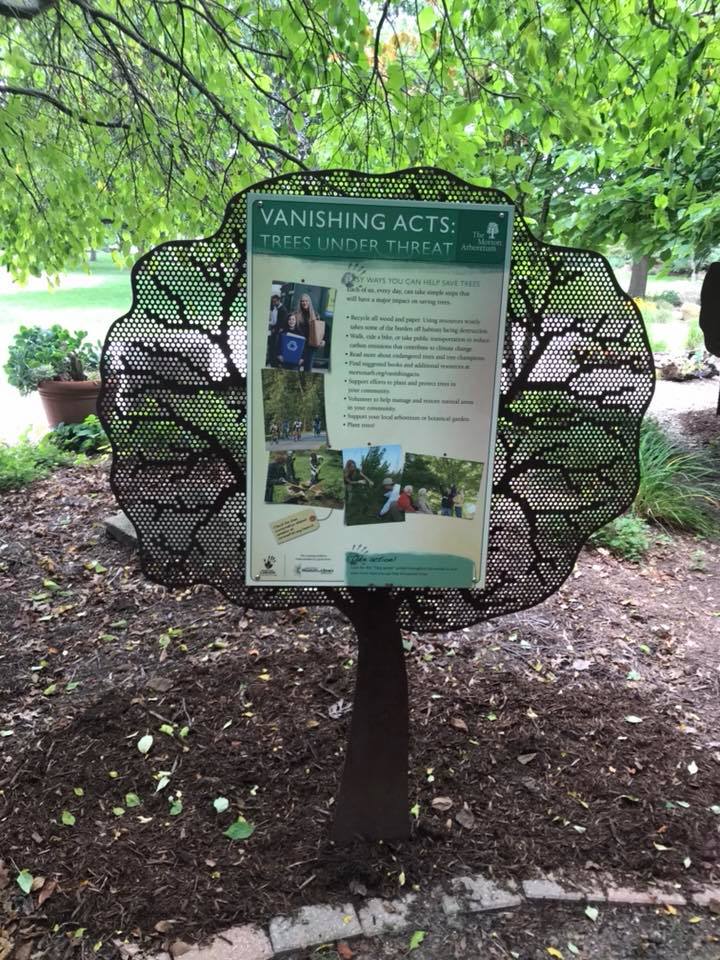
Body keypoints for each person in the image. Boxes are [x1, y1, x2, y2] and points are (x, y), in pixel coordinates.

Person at [295, 293, 325, 372]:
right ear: (300, 303)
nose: (304, 303)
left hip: (310, 346)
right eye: (302, 301)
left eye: (306, 301)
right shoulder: (296, 315)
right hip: (299, 344)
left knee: (308, 368)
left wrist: (322, 340)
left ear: (309, 302)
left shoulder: (315, 315)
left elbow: (321, 329)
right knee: (296, 366)